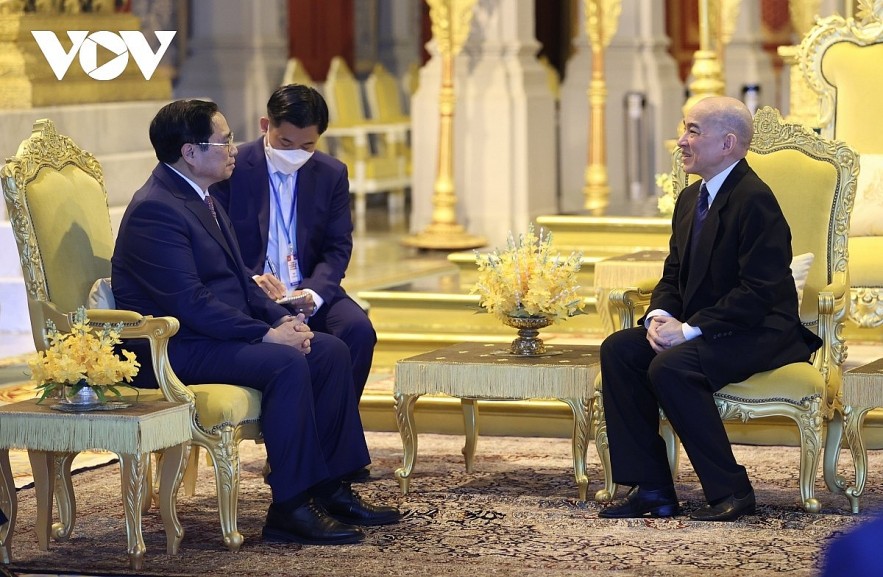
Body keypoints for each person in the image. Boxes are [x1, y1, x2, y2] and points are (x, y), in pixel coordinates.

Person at [111, 99, 400, 545]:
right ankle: (290, 506)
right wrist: (267, 335)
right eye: (223, 140)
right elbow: (190, 301)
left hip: (210, 333)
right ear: (190, 151)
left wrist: (287, 322)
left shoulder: (200, 196)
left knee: (328, 349)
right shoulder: (158, 208)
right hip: (172, 345)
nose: (233, 148)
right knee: (284, 363)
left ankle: (331, 486)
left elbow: (242, 284)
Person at [597, 96, 822, 522]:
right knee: (621, 350)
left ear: (728, 143)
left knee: (672, 367)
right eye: (684, 128)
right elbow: (674, 273)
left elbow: (758, 293)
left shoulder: (755, 199)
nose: (681, 141)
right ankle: (654, 490)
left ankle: (731, 491)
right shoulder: (689, 199)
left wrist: (690, 331)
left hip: (761, 330)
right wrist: (660, 317)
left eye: (693, 131)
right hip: (711, 327)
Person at [211, 84, 376, 403]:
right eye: (285, 142)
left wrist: (313, 293)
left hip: (307, 289)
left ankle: (331, 432)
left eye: (307, 145)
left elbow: (337, 246)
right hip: (254, 292)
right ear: (265, 126)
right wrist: (251, 281)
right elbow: (216, 243)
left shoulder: (331, 173)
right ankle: (302, 435)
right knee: (306, 349)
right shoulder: (231, 167)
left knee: (358, 330)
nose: (294, 153)